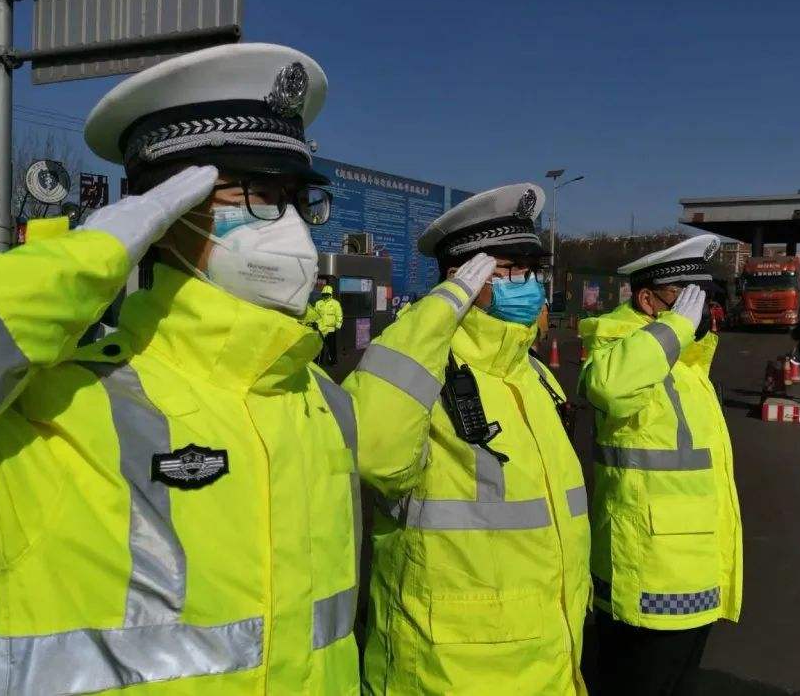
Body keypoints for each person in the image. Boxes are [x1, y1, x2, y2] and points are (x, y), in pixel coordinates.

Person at [0, 43, 494, 694]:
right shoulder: (50, 410)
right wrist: (83, 260)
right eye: (259, 196)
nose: (290, 226)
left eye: (296, 200)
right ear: (166, 213)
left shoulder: (320, 402)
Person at [354, 184, 591, 695]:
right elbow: (374, 454)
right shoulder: (421, 367)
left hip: (549, 658)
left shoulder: (534, 374)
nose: (525, 283)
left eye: (530, 270)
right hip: (447, 672)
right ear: (461, 276)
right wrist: (438, 312)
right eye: (506, 270)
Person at [579, 234, 743, 696]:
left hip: (694, 570)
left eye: (703, 296)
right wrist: (674, 330)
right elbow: (609, 387)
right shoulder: (620, 347)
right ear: (648, 300)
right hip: (650, 575)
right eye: (685, 295)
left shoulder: (687, 365)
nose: (699, 308)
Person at [314, 284, 343, 365]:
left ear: (330, 294)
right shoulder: (318, 303)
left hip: (331, 329)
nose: (326, 296)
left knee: (331, 347)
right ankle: (318, 362)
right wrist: (316, 325)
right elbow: (315, 315)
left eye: (327, 294)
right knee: (319, 346)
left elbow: (339, 315)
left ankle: (333, 362)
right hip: (320, 329)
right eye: (324, 294)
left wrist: (338, 325)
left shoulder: (335, 303)